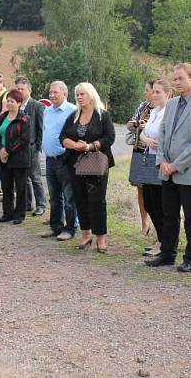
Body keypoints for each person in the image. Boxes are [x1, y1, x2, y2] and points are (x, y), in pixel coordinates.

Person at [145, 63, 191, 273]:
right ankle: (167, 254)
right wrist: (163, 161)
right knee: (169, 214)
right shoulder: (172, 104)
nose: (176, 82)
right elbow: (163, 133)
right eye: (174, 79)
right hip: (166, 169)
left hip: (188, 172)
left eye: (180, 78)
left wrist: (176, 165)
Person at [60, 82, 115, 253]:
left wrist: (90, 146)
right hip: (75, 164)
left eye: (82, 94)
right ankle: (85, 234)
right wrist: (75, 145)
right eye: (77, 94)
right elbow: (62, 137)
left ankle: (101, 238)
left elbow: (109, 138)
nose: (79, 97)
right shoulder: (74, 116)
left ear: (91, 95)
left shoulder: (102, 116)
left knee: (97, 201)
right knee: (80, 199)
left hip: (96, 164)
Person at [137, 79, 171, 258]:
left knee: (159, 203)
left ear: (168, 94)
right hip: (148, 159)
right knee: (149, 202)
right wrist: (147, 139)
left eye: (159, 92)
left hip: (160, 160)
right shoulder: (155, 112)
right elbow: (143, 133)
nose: (155, 95)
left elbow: (161, 136)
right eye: (154, 91)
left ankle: (165, 241)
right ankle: (160, 238)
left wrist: (149, 139)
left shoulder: (168, 112)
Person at [40, 81, 78, 241]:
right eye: (50, 92)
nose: (52, 95)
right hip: (50, 159)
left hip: (65, 159)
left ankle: (70, 228)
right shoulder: (47, 111)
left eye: (55, 92)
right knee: (54, 196)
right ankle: (56, 227)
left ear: (65, 93)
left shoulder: (72, 111)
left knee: (69, 197)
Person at [0, 89, 30, 224]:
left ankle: (19, 214)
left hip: (19, 158)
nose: (9, 103)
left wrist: (7, 151)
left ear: (19, 103)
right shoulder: (2, 117)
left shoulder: (24, 119)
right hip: (3, 157)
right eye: (8, 101)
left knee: (20, 188)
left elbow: (24, 140)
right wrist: (0, 150)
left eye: (12, 101)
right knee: (6, 186)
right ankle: (7, 213)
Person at [16, 76, 47, 216]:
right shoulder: (16, 105)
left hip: (32, 148)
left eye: (22, 89)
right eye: (17, 89)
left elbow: (41, 129)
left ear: (29, 90)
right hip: (18, 149)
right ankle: (27, 204)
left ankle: (41, 205)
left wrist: (37, 148)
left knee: (35, 177)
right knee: (24, 178)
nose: (19, 91)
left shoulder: (37, 106)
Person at [127, 81, 155, 235]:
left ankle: (156, 223)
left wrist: (147, 126)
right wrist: (135, 124)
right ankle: (144, 225)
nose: (145, 93)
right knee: (140, 189)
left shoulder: (162, 109)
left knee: (153, 190)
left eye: (147, 90)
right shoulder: (143, 106)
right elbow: (129, 124)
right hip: (138, 150)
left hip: (151, 153)